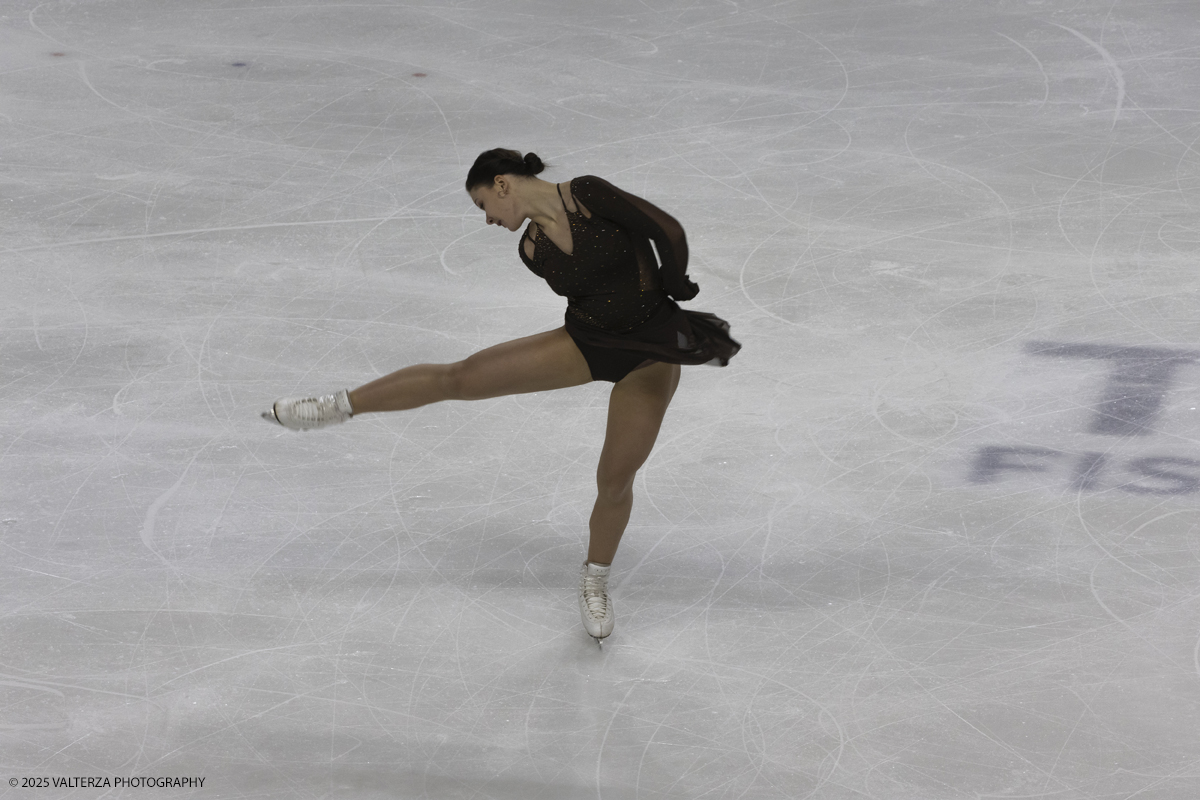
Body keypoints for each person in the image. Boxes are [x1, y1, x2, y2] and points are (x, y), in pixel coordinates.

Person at [264, 149, 740, 645]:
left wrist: (676, 283)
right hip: (588, 342)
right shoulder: (532, 249)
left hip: (651, 351)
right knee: (462, 377)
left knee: (615, 479)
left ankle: (595, 579)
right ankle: (336, 407)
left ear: (503, 183)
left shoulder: (588, 195)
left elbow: (666, 230)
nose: (489, 218)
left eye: (483, 204)